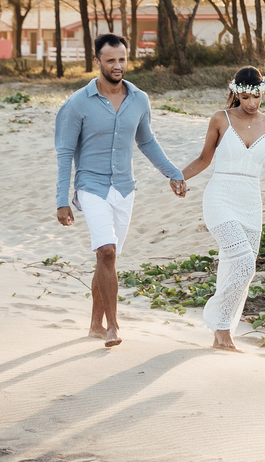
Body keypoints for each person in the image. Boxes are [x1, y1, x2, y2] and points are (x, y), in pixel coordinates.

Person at [54, 33, 187, 347]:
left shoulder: (139, 99)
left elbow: (147, 141)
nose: (117, 65)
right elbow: (64, 153)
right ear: (97, 60)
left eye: (122, 59)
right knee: (107, 251)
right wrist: (62, 200)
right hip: (91, 186)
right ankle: (113, 327)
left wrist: (173, 172)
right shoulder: (76, 104)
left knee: (107, 260)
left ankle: (94, 325)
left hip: (125, 189)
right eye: (110, 60)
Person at [180, 66, 265, 352]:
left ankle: (223, 334)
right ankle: (215, 316)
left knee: (236, 267)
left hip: (250, 202)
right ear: (236, 93)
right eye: (245, 96)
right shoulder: (220, 119)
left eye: (256, 96)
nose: (251, 103)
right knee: (244, 262)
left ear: (263, 93)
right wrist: (178, 176)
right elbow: (204, 159)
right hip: (220, 196)